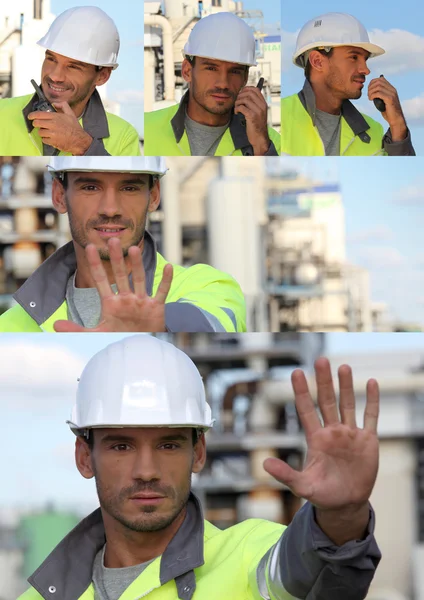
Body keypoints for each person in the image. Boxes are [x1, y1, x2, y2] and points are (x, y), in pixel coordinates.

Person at [18, 335, 381, 600]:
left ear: (198, 453)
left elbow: (308, 572)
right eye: (122, 446)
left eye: (169, 444)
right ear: (84, 456)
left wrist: (342, 517)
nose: (146, 470)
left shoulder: (250, 557)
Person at [0, 158, 245, 333]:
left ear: (154, 196)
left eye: (129, 188)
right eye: (90, 187)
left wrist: (158, 323)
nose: (110, 209)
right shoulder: (12, 324)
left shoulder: (209, 287)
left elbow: (215, 322)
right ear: (59, 196)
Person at [0, 6, 141, 156]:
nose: (55, 76)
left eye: (73, 67)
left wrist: (83, 146)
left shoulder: (124, 137)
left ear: (102, 76)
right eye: (51, 59)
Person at [144, 12, 281, 157]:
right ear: (187, 71)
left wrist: (261, 146)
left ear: (245, 78)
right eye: (211, 68)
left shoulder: (270, 142)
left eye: (234, 71)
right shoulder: (147, 129)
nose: (223, 83)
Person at [281, 12, 415, 156]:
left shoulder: (373, 132)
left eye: (365, 59)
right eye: (354, 57)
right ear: (317, 61)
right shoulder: (277, 120)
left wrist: (398, 127)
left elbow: (395, 176)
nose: (366, 70)